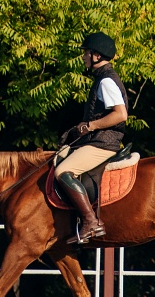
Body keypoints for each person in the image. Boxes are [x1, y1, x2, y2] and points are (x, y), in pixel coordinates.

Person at [55, 33, 128, 244]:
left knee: (63, 171)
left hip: (103, 143)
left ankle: (90, 221)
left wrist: (90, 126)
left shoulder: (106, 81)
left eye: (86, 53)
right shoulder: (102, 79)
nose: (84, 57)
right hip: (98, 140)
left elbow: (120, 114)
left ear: (96, 55)